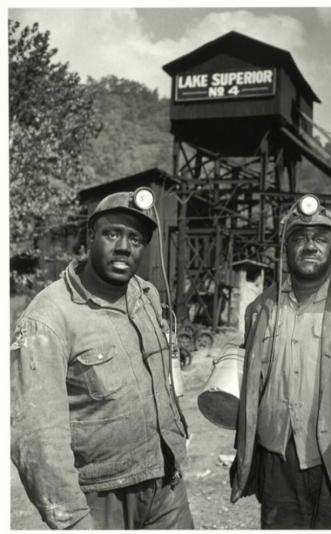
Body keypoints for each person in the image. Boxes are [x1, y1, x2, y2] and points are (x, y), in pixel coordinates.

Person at [11, 190, 194, 530]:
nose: (124, 247)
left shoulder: (147, 296)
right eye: (113, 234)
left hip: (165, 485)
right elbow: (36, 437)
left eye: (136, 238)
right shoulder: (49, 318)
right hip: (101, 498)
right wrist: (73, 520)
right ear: (91, 236)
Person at [229, 195, 331, 529]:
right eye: (299, 238)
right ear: (285, 248)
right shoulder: (260, 310)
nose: (310, 246)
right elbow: (251, 391)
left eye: (320, 239)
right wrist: (244, 453)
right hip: (279, 461)